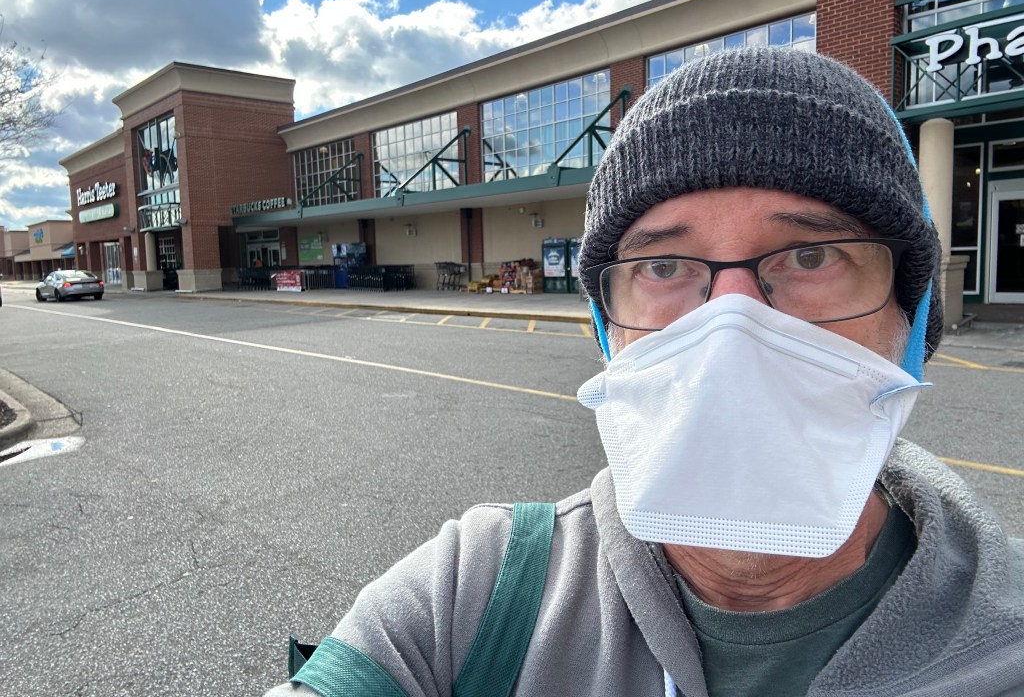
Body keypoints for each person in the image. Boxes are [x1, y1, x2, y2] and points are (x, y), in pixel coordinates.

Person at [264, 48, 1024, 696]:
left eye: (811, 254)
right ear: (610, 330)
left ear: (911, 319)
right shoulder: (476, 593)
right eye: (663, 265)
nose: (730, 324)